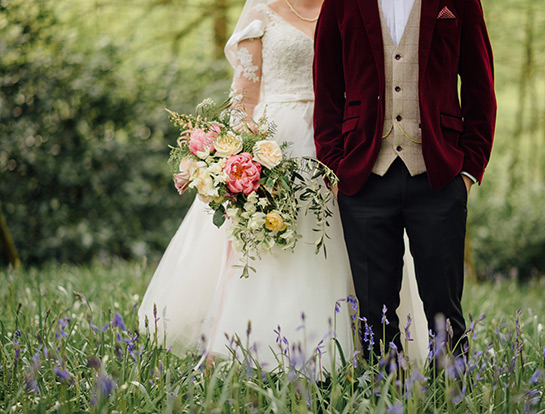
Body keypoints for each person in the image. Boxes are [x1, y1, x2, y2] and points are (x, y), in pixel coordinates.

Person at [138, 0, 429, 371]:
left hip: (347, 140)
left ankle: (363, 354)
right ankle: (259, 350)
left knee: (361, 245)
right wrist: (242, 162)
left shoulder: (354, 7)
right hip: (276, 144)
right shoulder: (262, 11)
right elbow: (242, 101)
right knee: (273, 247)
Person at [313, 0, 496, 359]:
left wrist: (469, 171)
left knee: (445, 306)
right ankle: (385, 396)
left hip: (439, 175)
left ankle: (452, 391)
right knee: (373, 308)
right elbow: (327, 89)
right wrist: (335, 169)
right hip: (364, 176)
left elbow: (480, 87)